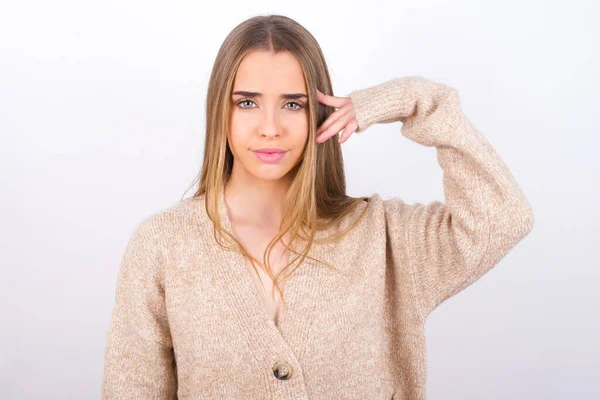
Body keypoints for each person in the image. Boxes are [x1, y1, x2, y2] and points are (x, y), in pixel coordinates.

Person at [101, 14, 534, 400]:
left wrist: (414, 101)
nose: (270, 128)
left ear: (320, 113)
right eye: (247, 102)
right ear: (221, 112)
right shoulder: (162, 245)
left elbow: (503, 217)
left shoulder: (384, 239)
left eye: (294, 104)